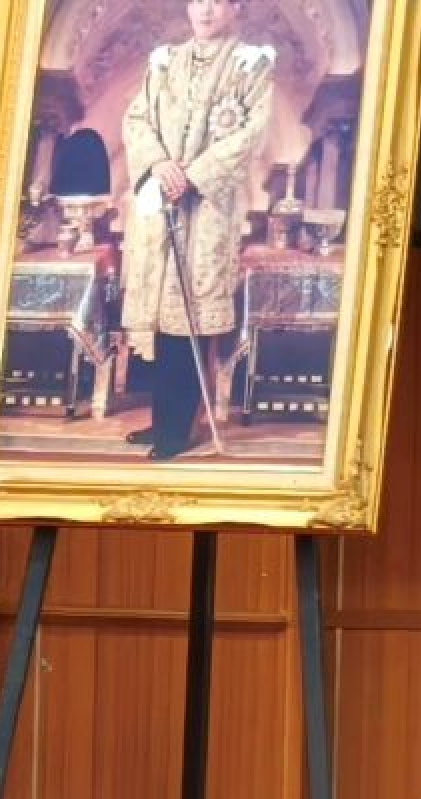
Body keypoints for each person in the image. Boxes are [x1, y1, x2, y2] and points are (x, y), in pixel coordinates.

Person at [119, 0, 274, 459]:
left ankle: (180, 427)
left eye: (217, 1)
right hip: (162, 202)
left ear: (235, 7)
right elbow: (137, 119)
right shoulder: (164, 62)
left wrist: (193, 175)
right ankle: (163, 419)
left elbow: (251, 134)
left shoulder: (251, 64)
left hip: (207, 209)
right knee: (162, 316)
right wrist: (158, 164)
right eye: (198, 1)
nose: (206, 11)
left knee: (189, 316)